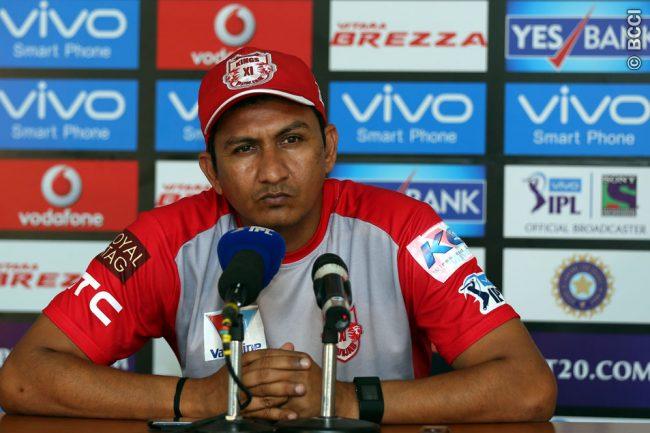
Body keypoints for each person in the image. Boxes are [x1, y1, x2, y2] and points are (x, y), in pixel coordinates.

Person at [0, 47, 556, 423]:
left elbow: (528, 386)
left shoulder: (406, 229)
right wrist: (198, 398)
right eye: (244, 148)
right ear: (212, 172)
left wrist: (342, 400)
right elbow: (24, 378)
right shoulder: (166, 241)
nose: (271, 171)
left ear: (328, 148)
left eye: (291, 140)